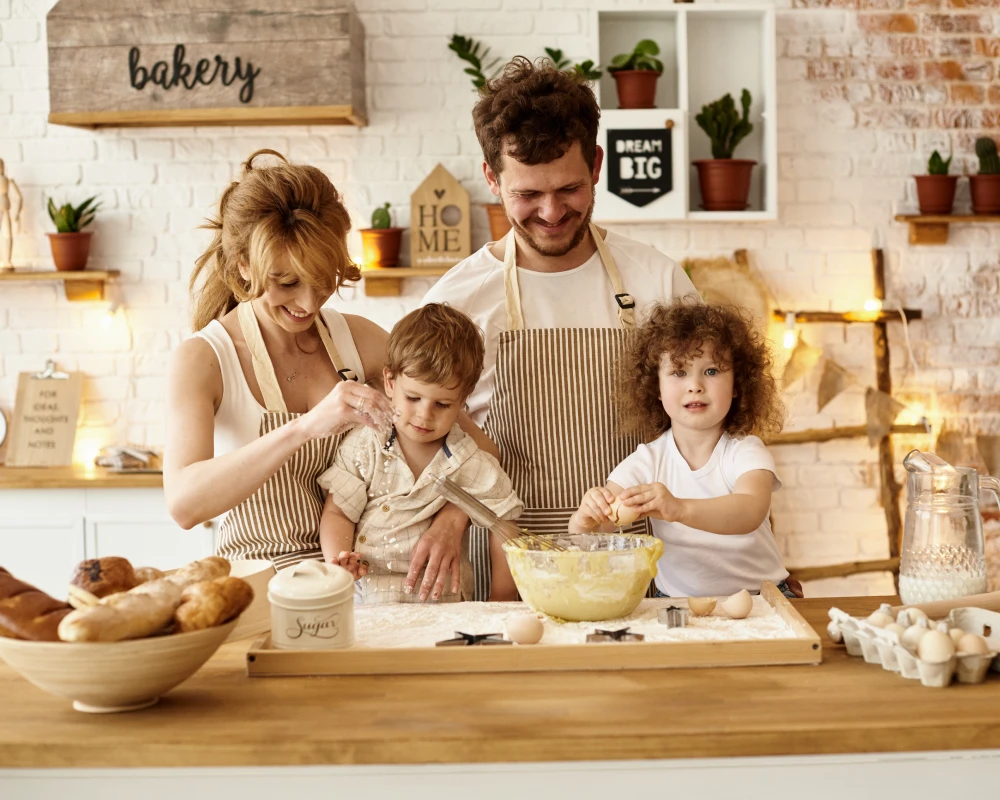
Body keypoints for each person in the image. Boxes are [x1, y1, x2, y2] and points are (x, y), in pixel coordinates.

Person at [421, 57, 698, 600]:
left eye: (568, 188)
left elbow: (713, 429)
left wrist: (758, 550)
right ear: (492, 179)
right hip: (507, 562)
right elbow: (419, 433)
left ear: (596, 164)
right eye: (527, 195)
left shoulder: (658, 280)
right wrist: (450, 514)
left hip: (638, 558)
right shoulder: (456, 300)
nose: (550, 212)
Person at [164, 150, 493, 600]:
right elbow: (184, 503)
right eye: (286, 282)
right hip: (257, 592)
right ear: (243, 264)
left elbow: (480, 449)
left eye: (322, 279)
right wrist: (305, 427)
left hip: (358, 592)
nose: (308, 302)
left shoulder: (360, 341)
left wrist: (452, 518)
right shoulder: (205, 359)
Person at [569, 300, 798, 599]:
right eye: (679, 373)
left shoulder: (744, 450)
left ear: (738, 384)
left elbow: (749, 511)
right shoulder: (647, 461)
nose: (695, 385)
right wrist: (583, 522)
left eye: (712, 371)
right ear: (656, 388)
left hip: (762, 598)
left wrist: (678, 508)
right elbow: (602, 529)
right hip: (679, 605)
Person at [316, 304, 523, 603]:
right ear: (389, 382)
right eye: (413, 398)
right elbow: (338, 511)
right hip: (369, 599)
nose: (424, 416)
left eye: (442, 405)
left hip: (443, 607)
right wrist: (339, 561)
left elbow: (504, 526)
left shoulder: (470, 462)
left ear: (463, 400)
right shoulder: (366, 445)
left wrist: (500, 600)